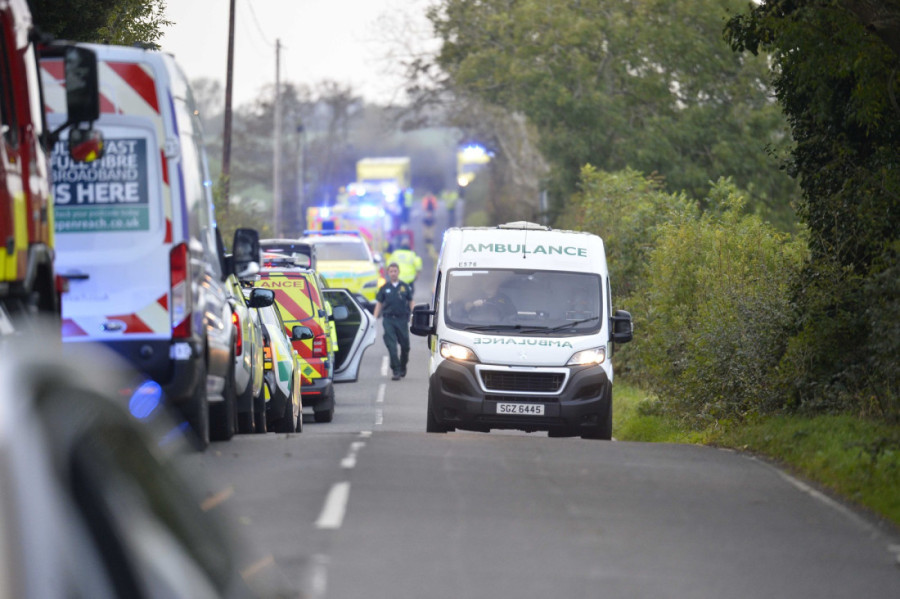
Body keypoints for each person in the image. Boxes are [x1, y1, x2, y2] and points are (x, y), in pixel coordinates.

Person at [373, 263, 415, 380]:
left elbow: (411, 301)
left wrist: (414, 313)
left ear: (398, 272)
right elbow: (379, 303)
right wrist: (374, 318)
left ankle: (402, 366)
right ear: (388, 273)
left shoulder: (404, 287)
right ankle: (396, 370)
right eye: (391, 271)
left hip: (402, 319)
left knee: (405, 346)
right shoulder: (384, 288)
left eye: (395, 271)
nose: (393, 273)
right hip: (388, 320)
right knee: (392, 346)